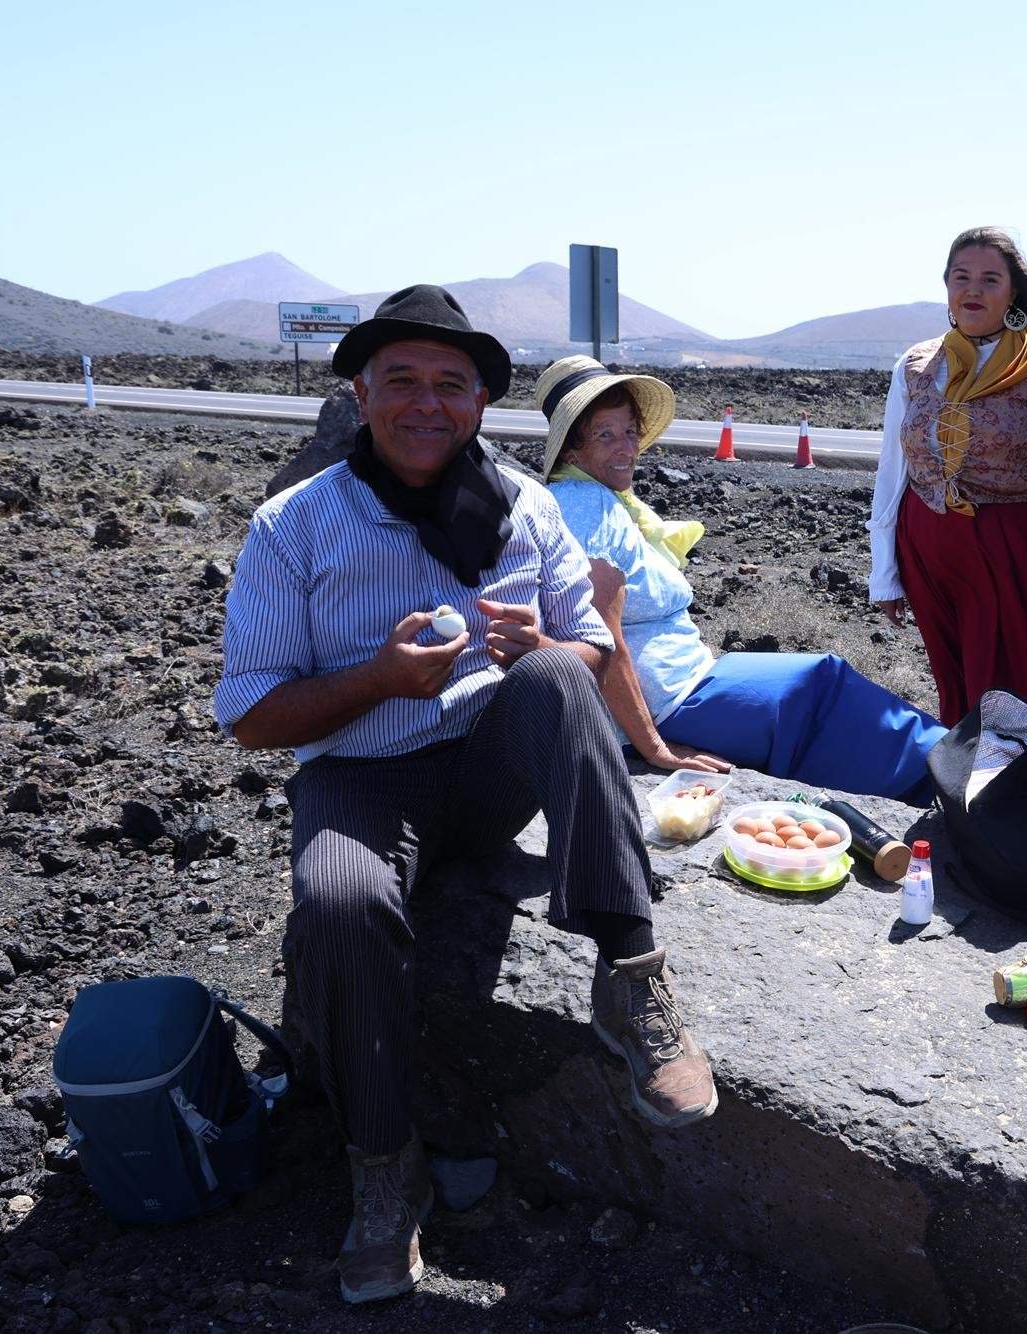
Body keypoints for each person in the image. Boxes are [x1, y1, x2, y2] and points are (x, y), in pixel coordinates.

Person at [214, 286, 717, 1306]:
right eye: (401, 379)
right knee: (343, 908)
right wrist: (376, 680)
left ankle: (630, 978)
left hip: (488, 768)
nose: (427, 403)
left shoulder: (526, 506)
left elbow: (592, 642)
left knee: (557, 675)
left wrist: (544, 645)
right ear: (362, 392)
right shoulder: (293, 526)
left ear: (482, 402)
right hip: (361, 775)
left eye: (451, 383)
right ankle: (383, 1166)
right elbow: (252, 716)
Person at [533, 355, 946, 801]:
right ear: (573, 450)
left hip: (683, 686)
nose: (626, 448)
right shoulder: (586, 505)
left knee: (820, 681)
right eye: (605, 435)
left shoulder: (592, 498)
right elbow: (601, 638)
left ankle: (947, 768)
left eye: (630, 431)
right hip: (671, 706)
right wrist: (654, 747)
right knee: (819, 691)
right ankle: (952, 776)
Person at [869, 227, 1027, 799]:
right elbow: (894, 470)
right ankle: (970, 811)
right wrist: (883, 571)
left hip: (1013, 553)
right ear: (945, 288)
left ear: (1012, 291)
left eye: (990, 279)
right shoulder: (916, 365)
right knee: (959, 689)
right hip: (931, 554)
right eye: (961, 277)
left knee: (1022, 691)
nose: (974, 290)